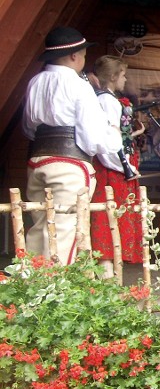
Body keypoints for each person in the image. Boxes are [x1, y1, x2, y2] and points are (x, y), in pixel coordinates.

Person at [22, 27, 123, 265]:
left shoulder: (35, 82)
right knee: (65, 230)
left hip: (37, 161)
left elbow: (28, 128)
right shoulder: (78, 85)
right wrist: (114, 135)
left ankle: (33, 285)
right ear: (74, 56)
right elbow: (94, 138)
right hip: (69, 164)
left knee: (39, 226)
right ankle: (53, 291)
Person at [89, 55, 144, 275]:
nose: (125, 79)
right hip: (112, 169)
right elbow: (108, 141)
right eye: (122, 75)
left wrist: (131, 134)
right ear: (113, 76)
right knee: (108, 217)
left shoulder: (107, 99)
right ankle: (107, 273)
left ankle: (110, 272)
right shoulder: (108, 101)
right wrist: (125, 167)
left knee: (112, 217)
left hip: (114, 165)